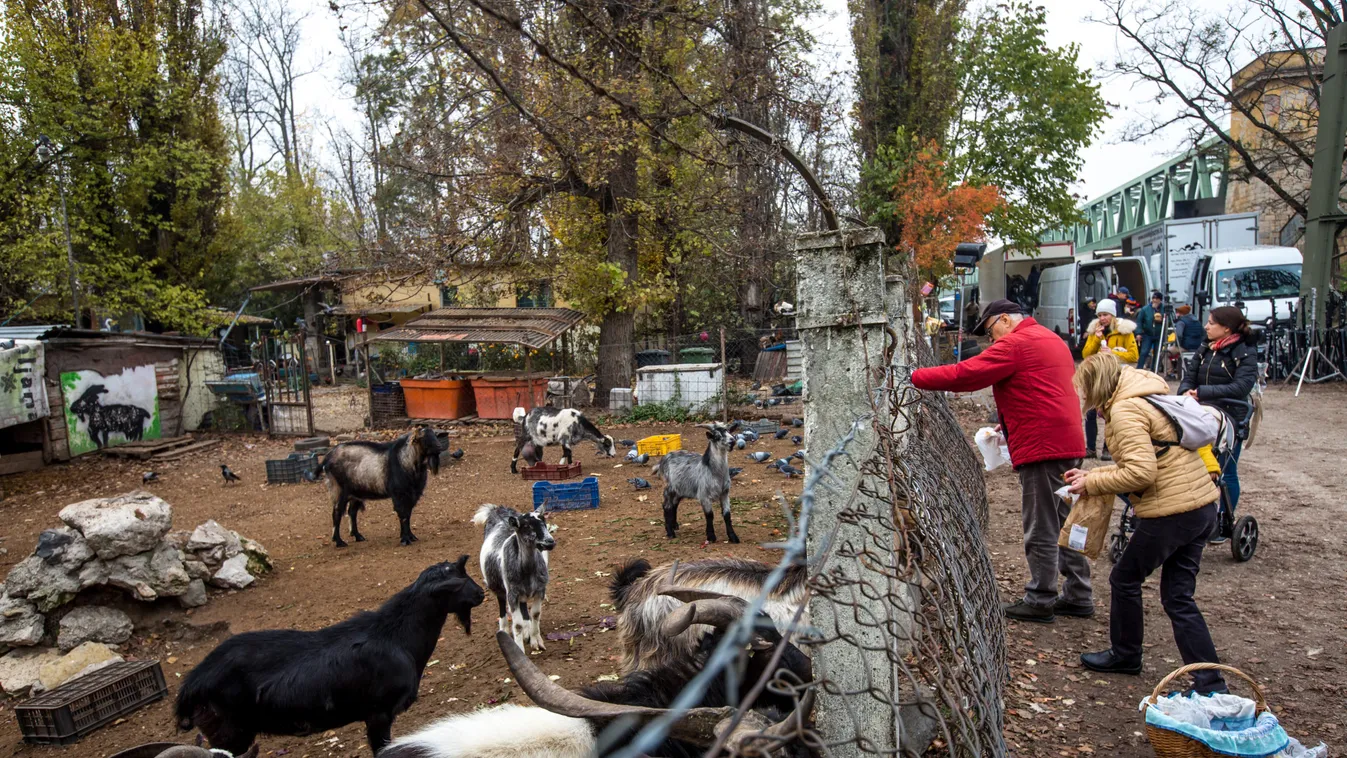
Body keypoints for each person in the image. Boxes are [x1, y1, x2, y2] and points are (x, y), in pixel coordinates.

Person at [911, 300, 1091, 623]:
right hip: (1068, 441)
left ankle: (1040, 598)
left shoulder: (1015, 344)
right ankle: (1078, 593)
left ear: (1005, 320)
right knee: (1065, 520)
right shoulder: (1051, 340)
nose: (992, 340)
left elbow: (965, 374)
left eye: (992, 331)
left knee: (1040, 525)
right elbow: (1041, 390)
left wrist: (914, 377)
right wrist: (1007, 424)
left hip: (1043, 447)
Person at [1065, 353, 1227, 695]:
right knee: (1178, 596)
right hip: (1200, 505)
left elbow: (1141, 472)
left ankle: (1126, 654)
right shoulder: (1146, 397)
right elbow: (1153, 457)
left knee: (1124, 578)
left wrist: (1092, 484)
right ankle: (1211, 683)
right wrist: (1092, 473)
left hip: (1172, 511)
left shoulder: (1124, 411)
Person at [1178, 306, 1258, 527]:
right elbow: (1190, 375)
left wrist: (1202, 392)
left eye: (1211, 323)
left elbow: (1241, 386)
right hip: (1198, 412)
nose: (1206, 326)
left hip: (1230, 415)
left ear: (1226, 328)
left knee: (1226, 471)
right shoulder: (1206, 346)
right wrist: (1186, 391)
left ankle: (1224, 521)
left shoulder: (1245, 351)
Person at [1081, 298, 1138, 460]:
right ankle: (1091, 448)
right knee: (1091, 412)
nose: (1102, 318)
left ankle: (1108, 448)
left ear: (1112, 315)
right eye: (1099, 315)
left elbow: (1134, 355)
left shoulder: (1125, 331)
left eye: (1105, 314)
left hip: (1114, 376)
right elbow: (1086, 354)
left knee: (1109, 413)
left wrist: (1113, 353)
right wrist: (1097, 338)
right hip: (1096, 376)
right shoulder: (1094, 330)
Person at [1135, 292, 1165, 370]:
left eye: (1157, 299)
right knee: (1144, 352)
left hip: (1159, 335)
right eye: (1153, 298)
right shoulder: (1145, 309)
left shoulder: (1164, 309)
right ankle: (1139, 369)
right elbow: (1139, 321)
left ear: (1160, 300)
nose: (1154, 300)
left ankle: (1154, 370)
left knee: (1157, 353)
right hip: (1147, 334)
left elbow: (1169, 321)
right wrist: (1138, 333)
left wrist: (1163, 319)